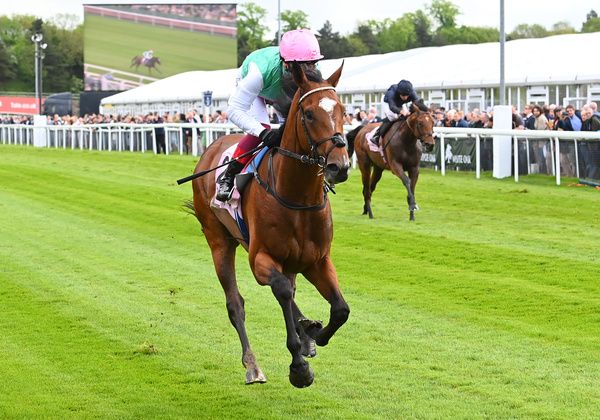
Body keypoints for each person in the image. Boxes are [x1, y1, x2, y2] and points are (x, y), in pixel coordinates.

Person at [216, 29, 324, 201]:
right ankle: (229, 175)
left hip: (281, 92)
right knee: (264, 128)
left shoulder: (315, 69)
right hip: (258, 92)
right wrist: (263, 133)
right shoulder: (258, 73)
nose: (307, 71)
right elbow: (234, 110)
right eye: (302, 66)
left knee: (296, 130)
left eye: (312, 64)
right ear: (286, 63)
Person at [371, 79, 419, 146]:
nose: (405, 98)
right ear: (399, 92)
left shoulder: (411, 92)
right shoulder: (391, 93)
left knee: (407, 116)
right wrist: (401, 111)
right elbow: (392, 107)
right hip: (387, 102)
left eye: (407, 95)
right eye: (403, 95)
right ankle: (376, 135)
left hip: (399, 103)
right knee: (393, 117)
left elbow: (418, 103)